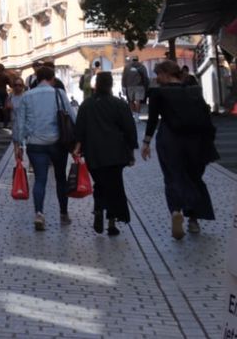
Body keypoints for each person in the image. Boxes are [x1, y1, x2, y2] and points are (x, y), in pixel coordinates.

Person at [142, 60, 218, 239]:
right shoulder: (194, 90)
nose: (156, 78)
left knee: (172, 177)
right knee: (193, 178)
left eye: (158, 74)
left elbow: (152, 120)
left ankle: (176, 211)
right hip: (195, 142)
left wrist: (146, 142)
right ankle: (193, 220)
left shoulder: (158, 93)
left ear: (166, 74)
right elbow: (206, 118)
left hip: (170, 140)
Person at [12, 66, 75, 231]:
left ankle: (39, 213)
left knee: (40, 179)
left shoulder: (27, 96)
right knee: (61, 178)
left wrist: (18, 145)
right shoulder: (59, 93)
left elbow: (19, 122)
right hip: (57, 143)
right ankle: (63, 213)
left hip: (35, 144)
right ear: (52, 78)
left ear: (36, 79)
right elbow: (71, 116)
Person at [73, 72, 137, 236]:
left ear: (96, 85)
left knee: (100, 184)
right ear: (110, 86)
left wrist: (77, 147)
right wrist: (131, 150)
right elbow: (129, 128)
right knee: (115, 186)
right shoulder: (118, 104)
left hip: (94, 152)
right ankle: (111, 223)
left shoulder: (86, 105)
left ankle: (99, 209)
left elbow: (79, 128)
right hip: (116, 152)